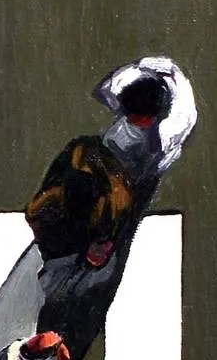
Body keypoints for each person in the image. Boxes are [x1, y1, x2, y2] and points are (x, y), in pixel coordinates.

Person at [25, 58, 200, 270]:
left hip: (110, 185)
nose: (128, 121)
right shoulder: (100, 148)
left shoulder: (161, 137)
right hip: (97, 181)